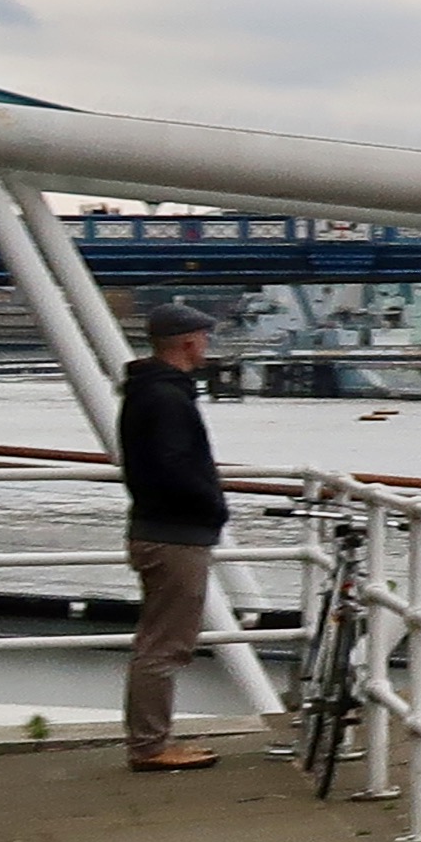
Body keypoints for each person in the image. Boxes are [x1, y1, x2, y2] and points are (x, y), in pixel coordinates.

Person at [119, 305, 230, 771]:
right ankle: (150, 745)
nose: (207, 346)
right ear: (187, 342)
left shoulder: (149, 393)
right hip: (175, 534)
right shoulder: (167, 398)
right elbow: (173, 466)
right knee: (166, 645)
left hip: (157, 527)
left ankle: (150, 740)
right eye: (204, 338)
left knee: (157, 641)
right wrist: (212, 504)